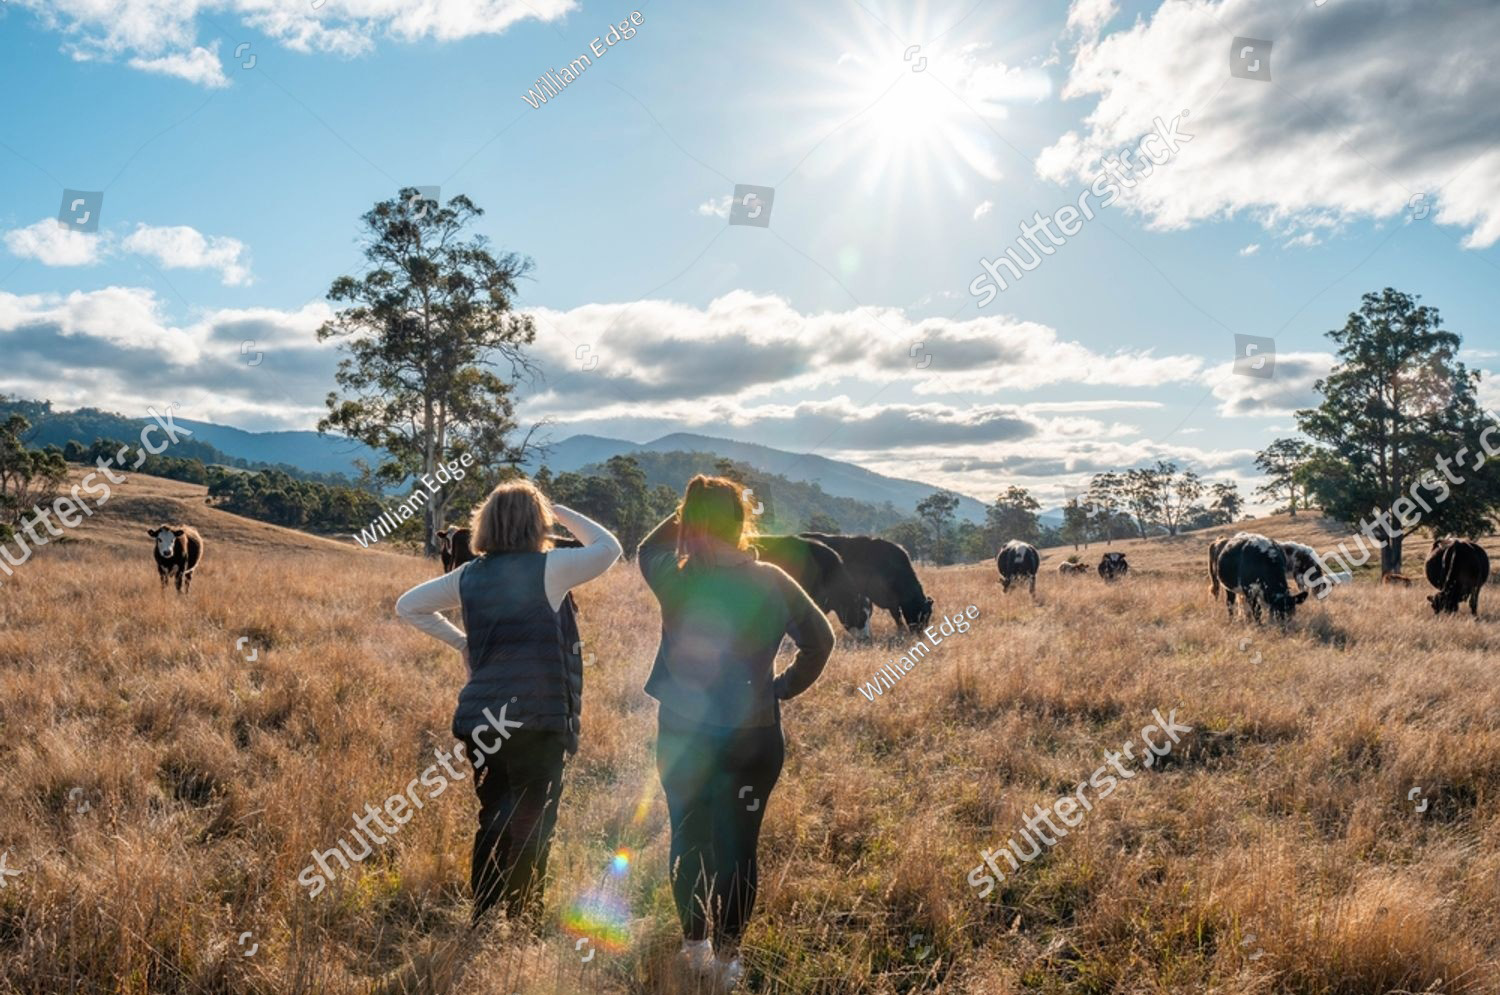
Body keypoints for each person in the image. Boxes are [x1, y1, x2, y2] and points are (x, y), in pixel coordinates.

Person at [638, 475, 834, 987]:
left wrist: (690, 509)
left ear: (691, 523)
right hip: (754, 734)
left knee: (688, 837)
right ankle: (728, 960)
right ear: (742, 523)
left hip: (684, 734)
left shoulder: (675, 575)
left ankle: (694, 947)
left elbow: (646, 545)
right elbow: (822, 641)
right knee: (740, 846)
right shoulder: (771, 578)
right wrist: (782, 687)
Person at [396, 481, 622, 925]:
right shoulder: (551, 568)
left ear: (486, 524)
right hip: (538, 721)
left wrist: (461, 643)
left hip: (482, 719)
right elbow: (608, 547)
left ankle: (483, 914)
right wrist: (558, 509)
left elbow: (410, 606)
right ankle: (523, 919)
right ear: (537, 524)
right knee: (533, 821)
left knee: (493, 816)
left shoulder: (469, 575)